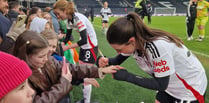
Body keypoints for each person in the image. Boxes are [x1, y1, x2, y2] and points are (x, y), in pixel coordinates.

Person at [98, 12, 207, 103]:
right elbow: (118, 59)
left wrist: (127, 76)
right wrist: (107, 61)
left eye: (119, 49)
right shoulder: (136, 41)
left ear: (131, 41)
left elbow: (161, 84)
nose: (118, 52)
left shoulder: (158, 47)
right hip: (170, 84)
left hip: (189, 88)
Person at [13, 30, 121, 103]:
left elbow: (72, 68)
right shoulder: (20, 78)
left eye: (48, 53)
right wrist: (64, 82)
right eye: (42, 56)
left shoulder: (48, 61)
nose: (46, 58)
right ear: (27, 55)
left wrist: (99, 70)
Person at [53, 1, 100, 103]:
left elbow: (84, 40)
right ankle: (85, 99)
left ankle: (87, 101)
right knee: (82, 72)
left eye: (58, 13)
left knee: (86, 73)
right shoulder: (70, 20)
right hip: (85, 47)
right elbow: (68, 36)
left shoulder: (78, 19)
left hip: (90, 47)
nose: (57, 16)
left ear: (65, 10)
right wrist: (62, 43)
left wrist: (68, 47)